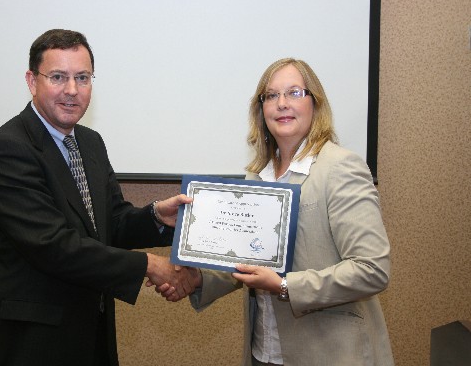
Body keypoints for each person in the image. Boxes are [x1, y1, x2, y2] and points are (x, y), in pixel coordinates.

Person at [0, 29, 194, 366]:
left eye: (83, 77)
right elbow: (54, 246)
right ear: (32, 81)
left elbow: (110, 224)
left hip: (92, 338)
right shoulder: (7, 150)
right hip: (34, 346)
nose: (72, 90)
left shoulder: (89, 142)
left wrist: (156, 216)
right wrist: (149, 265)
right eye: (58, 77)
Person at [158, 58, 394, 365]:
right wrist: (197, 278)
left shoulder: (340, 168)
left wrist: (284, 286)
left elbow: (372, 270)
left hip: (328, 353)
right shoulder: (257, 177)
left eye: (294, 92)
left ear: (315, 103)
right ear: (261, 109)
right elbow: (245, 261)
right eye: (271, 96)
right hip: (264, 352)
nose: (282, 103)